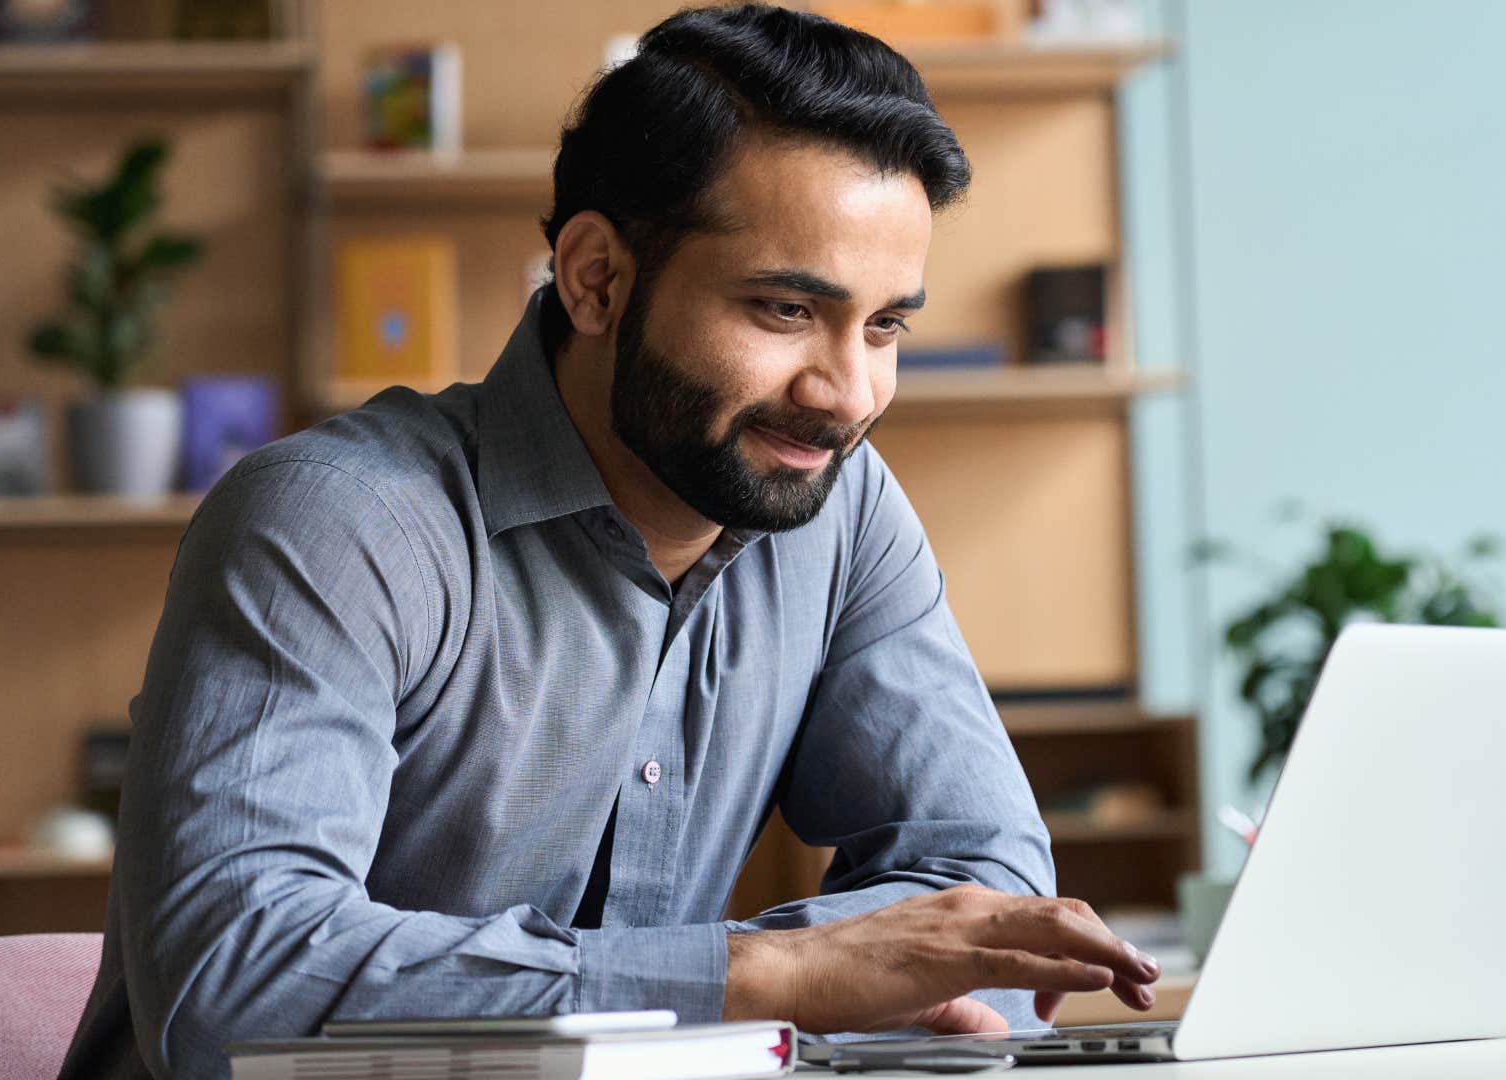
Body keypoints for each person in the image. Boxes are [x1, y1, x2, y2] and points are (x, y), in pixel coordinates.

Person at [59, 6, 1157, 1078]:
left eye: (885, 326)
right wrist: (759, 977)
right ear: (596, 279)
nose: (847, 393)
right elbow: (234, 987)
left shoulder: (842, 509)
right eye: (783, 310)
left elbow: (987, 884)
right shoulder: (335, 522)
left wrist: (817, 979)